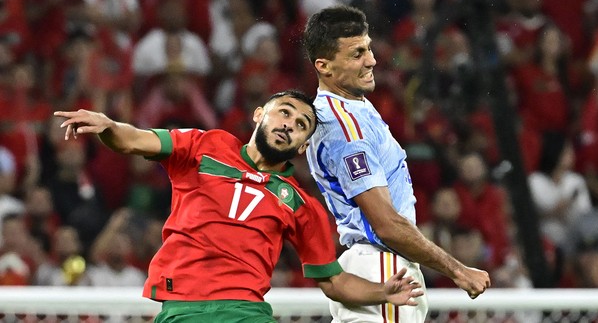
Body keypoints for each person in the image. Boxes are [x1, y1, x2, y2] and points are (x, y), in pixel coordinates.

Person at [53, 90, 423, 322]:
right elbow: (133, 140)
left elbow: (334, 281)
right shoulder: (203, 146)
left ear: (302, 148)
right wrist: (106, 125)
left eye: (301, 125)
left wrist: (382, 293)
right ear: (259, 114)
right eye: (285, 112)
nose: (290, 125)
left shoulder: (301, 205)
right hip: (183, 309)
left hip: (245, 313)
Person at [302, 5, 490, 322]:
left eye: (369, 48)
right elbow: (385, 224)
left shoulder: (351, 107)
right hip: (382, 269)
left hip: (378, 270)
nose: (371, 60)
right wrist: (457, 270)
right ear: (325, 66)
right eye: (357, 54)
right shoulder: (347, 130)